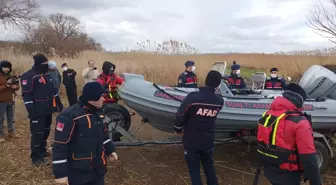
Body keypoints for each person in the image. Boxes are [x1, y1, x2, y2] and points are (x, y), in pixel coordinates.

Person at [52, 82, 118, 185]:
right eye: (101, 96)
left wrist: (110, 150)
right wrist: (60, 173)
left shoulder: (99, 112)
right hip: (78, 173)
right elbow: (60, 145)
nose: (103, 99)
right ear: (93, 98)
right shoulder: (69, 116)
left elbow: (103, 133)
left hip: (98, 170)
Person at [255, 83, 321, 185]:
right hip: (289, 175)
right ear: (299, 101)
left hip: (269, 169)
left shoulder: (268, 114)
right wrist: (316, 181)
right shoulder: (300, 122)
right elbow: (309, 157)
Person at [174, 70, 224, 185]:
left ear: (206, 80)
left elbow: (180, 115)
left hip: (192, 141)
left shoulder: (193, 98)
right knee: (209, 168)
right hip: (208, 141)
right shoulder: (219, 101)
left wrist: (177, 128)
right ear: (218, 85)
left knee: (194, 171)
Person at [21, 54, 63, 165]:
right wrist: (31, 110)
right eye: (45, 64)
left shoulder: (47, 75)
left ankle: (42, 150)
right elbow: (27, 95)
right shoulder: (29, 76)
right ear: (39, 64)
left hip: (48, 109)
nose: (47, 66)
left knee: (46, 131)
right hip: (37, 110)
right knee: (37, 133)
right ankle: (36, 157)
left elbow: (53, 90)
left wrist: (58, 102)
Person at [0, 60, 20, 142]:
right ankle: (1, 135)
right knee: (1, 118)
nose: (6, 69)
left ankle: (11, 132)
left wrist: (16, 87)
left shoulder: (11, 76)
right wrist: (6, 85)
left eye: (8, 67)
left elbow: (17, 86)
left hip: (10, 100)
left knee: (10, 117)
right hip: (1, 101)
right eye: (5, 67)